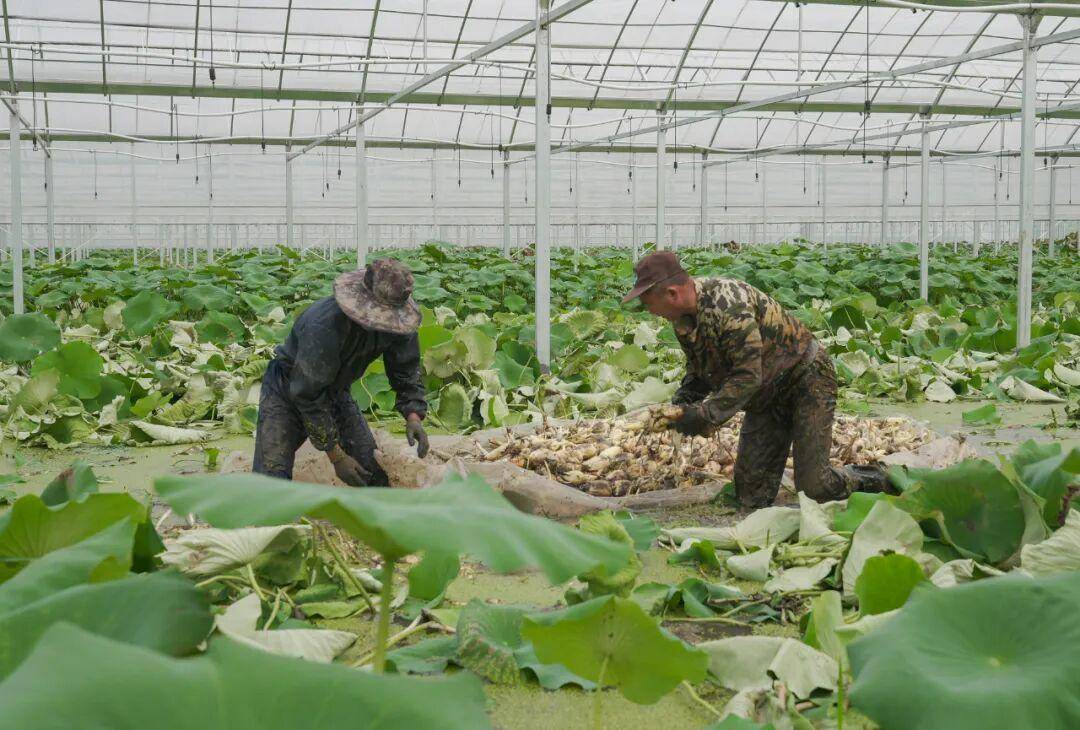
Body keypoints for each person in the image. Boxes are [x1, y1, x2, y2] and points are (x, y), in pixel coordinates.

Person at [622, 251, 890, 508]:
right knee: (751, 494)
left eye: (648, 303)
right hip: (766, 395)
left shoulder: (729, 305)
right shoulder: (683, 321)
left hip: (806, 379)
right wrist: (683, 402)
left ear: (672, 293)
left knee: (814, 487)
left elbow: (748, 375)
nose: (649, 311)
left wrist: (705, 415)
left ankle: (878, 479)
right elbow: (701, 369)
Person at [253, 258, 429, 486]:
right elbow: (307, 394)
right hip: (286, 389)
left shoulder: (399, 325)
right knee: (270, 480)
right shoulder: (323, 326)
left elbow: (406, 371)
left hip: (336, 391)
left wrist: (413, 417)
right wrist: (337, 457)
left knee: (372, 473)